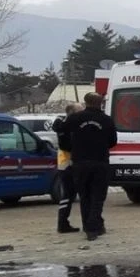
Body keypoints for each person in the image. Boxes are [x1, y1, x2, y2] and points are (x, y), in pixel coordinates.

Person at [60, 92, 118, 241]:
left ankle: (89, 226)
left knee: (85, 196)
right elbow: (113, 142)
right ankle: (94, 227)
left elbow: (62, 130)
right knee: (98, 197)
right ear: (101, 103)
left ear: (86, 102)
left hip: (80, 163)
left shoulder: (75, 118)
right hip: (100, 162)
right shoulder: (106, 120)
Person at [52, 103, 83, 233]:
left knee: (69, 195)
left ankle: (63, 222)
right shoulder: (66, 127)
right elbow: (67, 145)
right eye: (79, 111)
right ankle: (62, 223)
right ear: (72, 112)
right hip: (67, 164)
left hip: (66, 163)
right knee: (68, 195)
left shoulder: (63, 124)